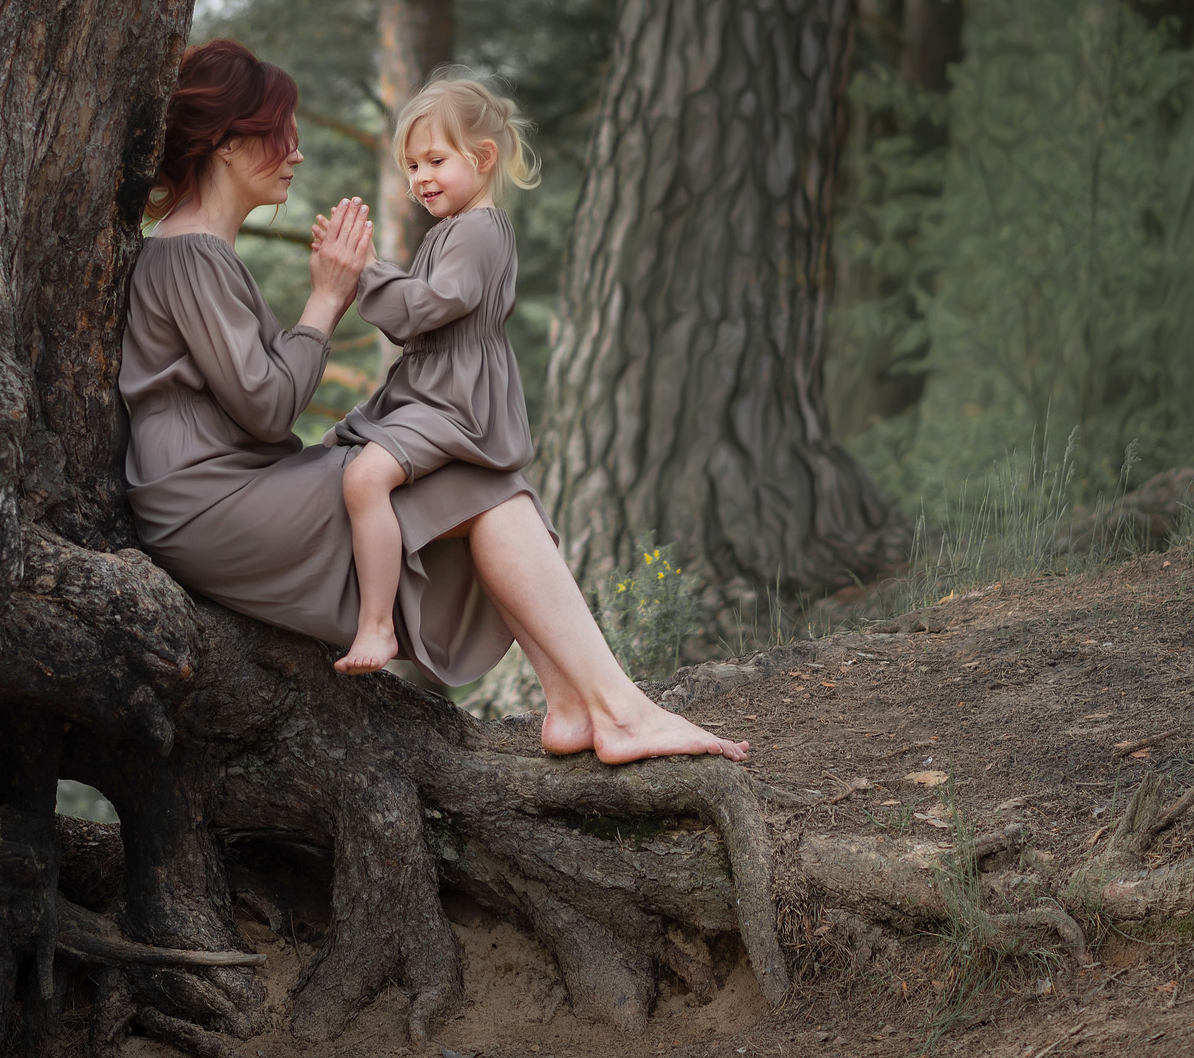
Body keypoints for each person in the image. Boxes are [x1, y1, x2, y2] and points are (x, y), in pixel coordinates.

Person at [120, 38, 744, 764]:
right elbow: (265, 408)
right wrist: (326, 299)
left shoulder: (199, 251)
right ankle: (611, 706)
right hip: (208, 502)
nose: (294, 153)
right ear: (227, 144)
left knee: (468, 481)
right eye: (278, 135)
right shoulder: (189, 253)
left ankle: (581, 704)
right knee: (478, 482)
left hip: (227, 489)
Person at [324, 72, 539, 675]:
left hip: (454, 403)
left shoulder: (476, 231)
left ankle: (375, 629)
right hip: (432, 393)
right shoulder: (456, 229)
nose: (421, 179)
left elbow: (429, 308)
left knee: (365, 480)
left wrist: (367, 270)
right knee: (342, 460)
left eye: (435, 161)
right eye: (411, 166)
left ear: (484, 157)